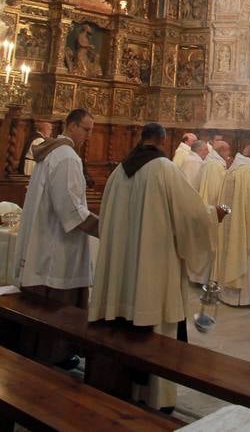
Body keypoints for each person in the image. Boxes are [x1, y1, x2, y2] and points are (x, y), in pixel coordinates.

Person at [89, 122, 225, 410]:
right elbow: (192, 216)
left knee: (123, 329)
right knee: (157, 332)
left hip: (122, 274)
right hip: (153, 272)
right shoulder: (163, 169)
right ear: (163, 140)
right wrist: (215, 215)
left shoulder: (118, 171)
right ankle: (155, 401)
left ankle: (122, 389)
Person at [14, 108, 98, 368]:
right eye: (85, 129)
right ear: (71, 126)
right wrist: (104, 228)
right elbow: (71, 210)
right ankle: (55, 355)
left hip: (43, 239)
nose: (88, 135)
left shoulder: (49, 152)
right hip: (57, 247)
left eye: (91, 131)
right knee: (57, 306)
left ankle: (36, 351)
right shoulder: (67, 157)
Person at [216, 145, 250, 307]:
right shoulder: (246, 172)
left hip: (230, 223)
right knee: (244, 256)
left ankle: (226, 295)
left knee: (228, 254)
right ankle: (242, 299)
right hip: (242, 225)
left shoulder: (232, 170)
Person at [197, 139, 231, 206]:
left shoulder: (213, 161)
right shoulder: (215, 165)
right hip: (212, 202)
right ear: (221, 151)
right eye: (228, 150)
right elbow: (214, 190)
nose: (229, 153)